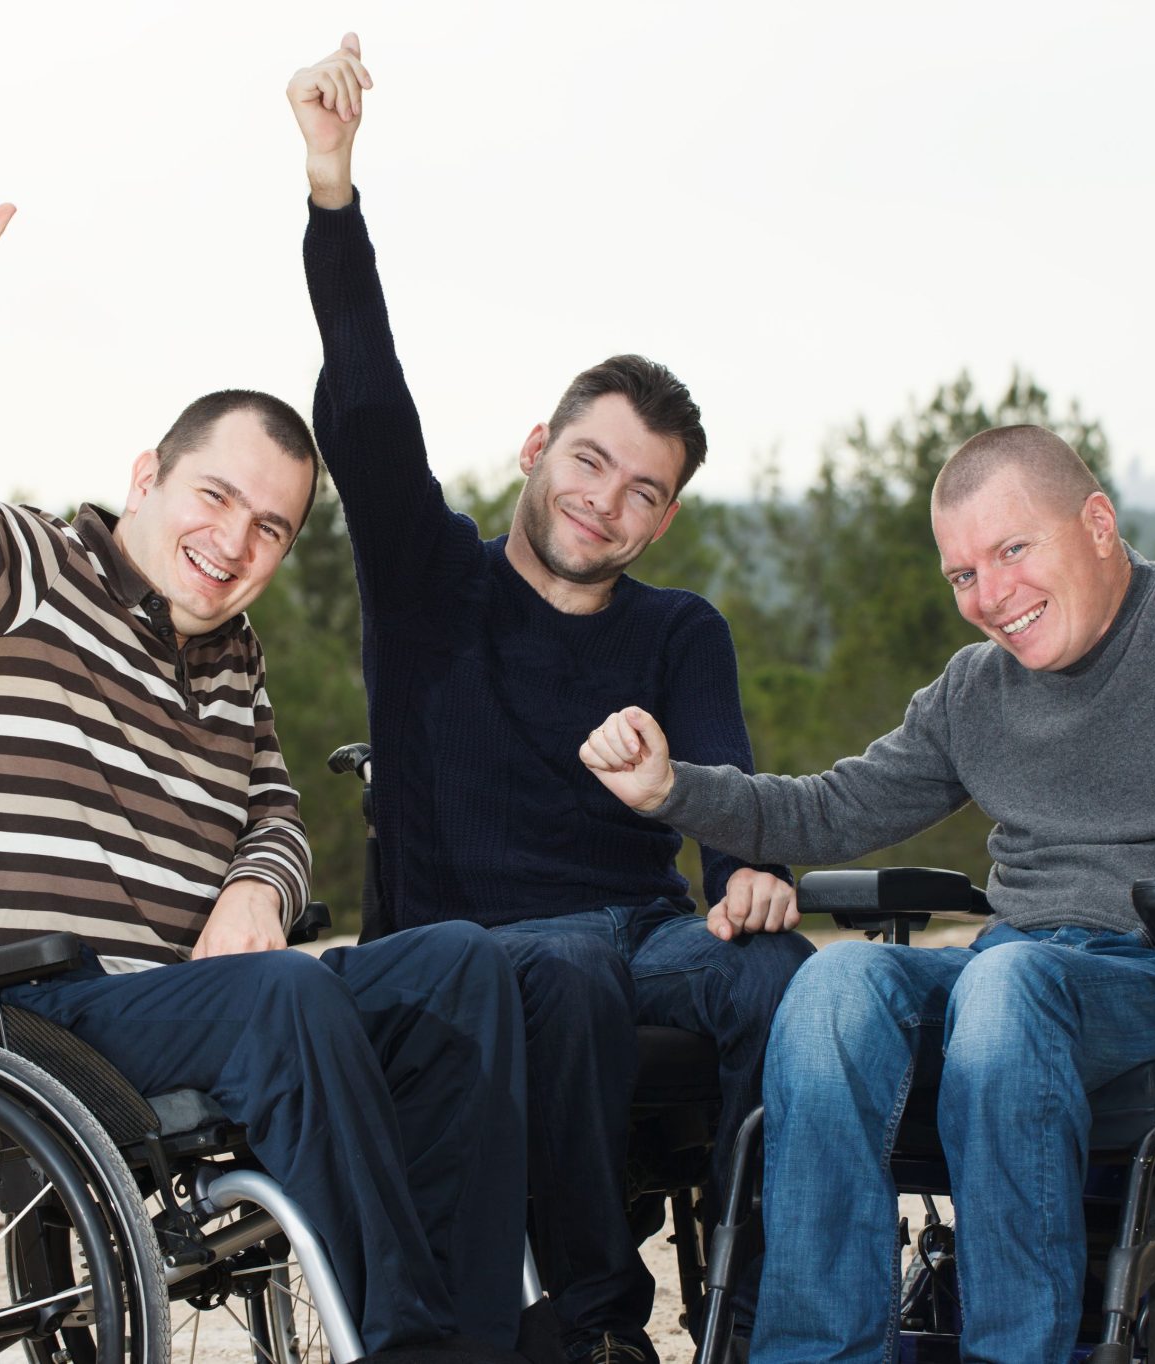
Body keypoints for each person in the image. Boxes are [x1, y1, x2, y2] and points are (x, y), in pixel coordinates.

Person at [0, 197, 528, 1356]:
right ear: (149, 472)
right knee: (289, 995)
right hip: (19, 1013)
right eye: (216, 495)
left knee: (464, 964)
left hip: (160, 1011)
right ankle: (411, 1343)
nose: (236, 540)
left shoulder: (230, 659)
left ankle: (485, 1328)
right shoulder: (30, 567)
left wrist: (256, 885)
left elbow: (273, 804)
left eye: (272, 527)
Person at [581, 404, 1155, 1363]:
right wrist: (671, 788)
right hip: (1020, 977)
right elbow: (826, 809)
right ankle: (817, 1353)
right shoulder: (977, 691)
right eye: (964, 573)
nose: (991, 595)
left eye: (1013, 550)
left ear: (1098, 524)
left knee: (1008, 988)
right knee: (836, 984)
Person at [288, 34, 814, 1364]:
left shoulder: (680, 630)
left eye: (644, 489)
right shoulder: (428, 585)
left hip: (640, 932)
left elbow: (727, 782)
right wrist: (333, 189)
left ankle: (753, 1326)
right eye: (589, 462)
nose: (606, 501)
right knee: (568, 973)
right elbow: (364, 406)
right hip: (467, 953)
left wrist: (749, 867)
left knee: (775, 979)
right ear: (537, 450)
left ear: (667, 514)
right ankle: (594, 1327)